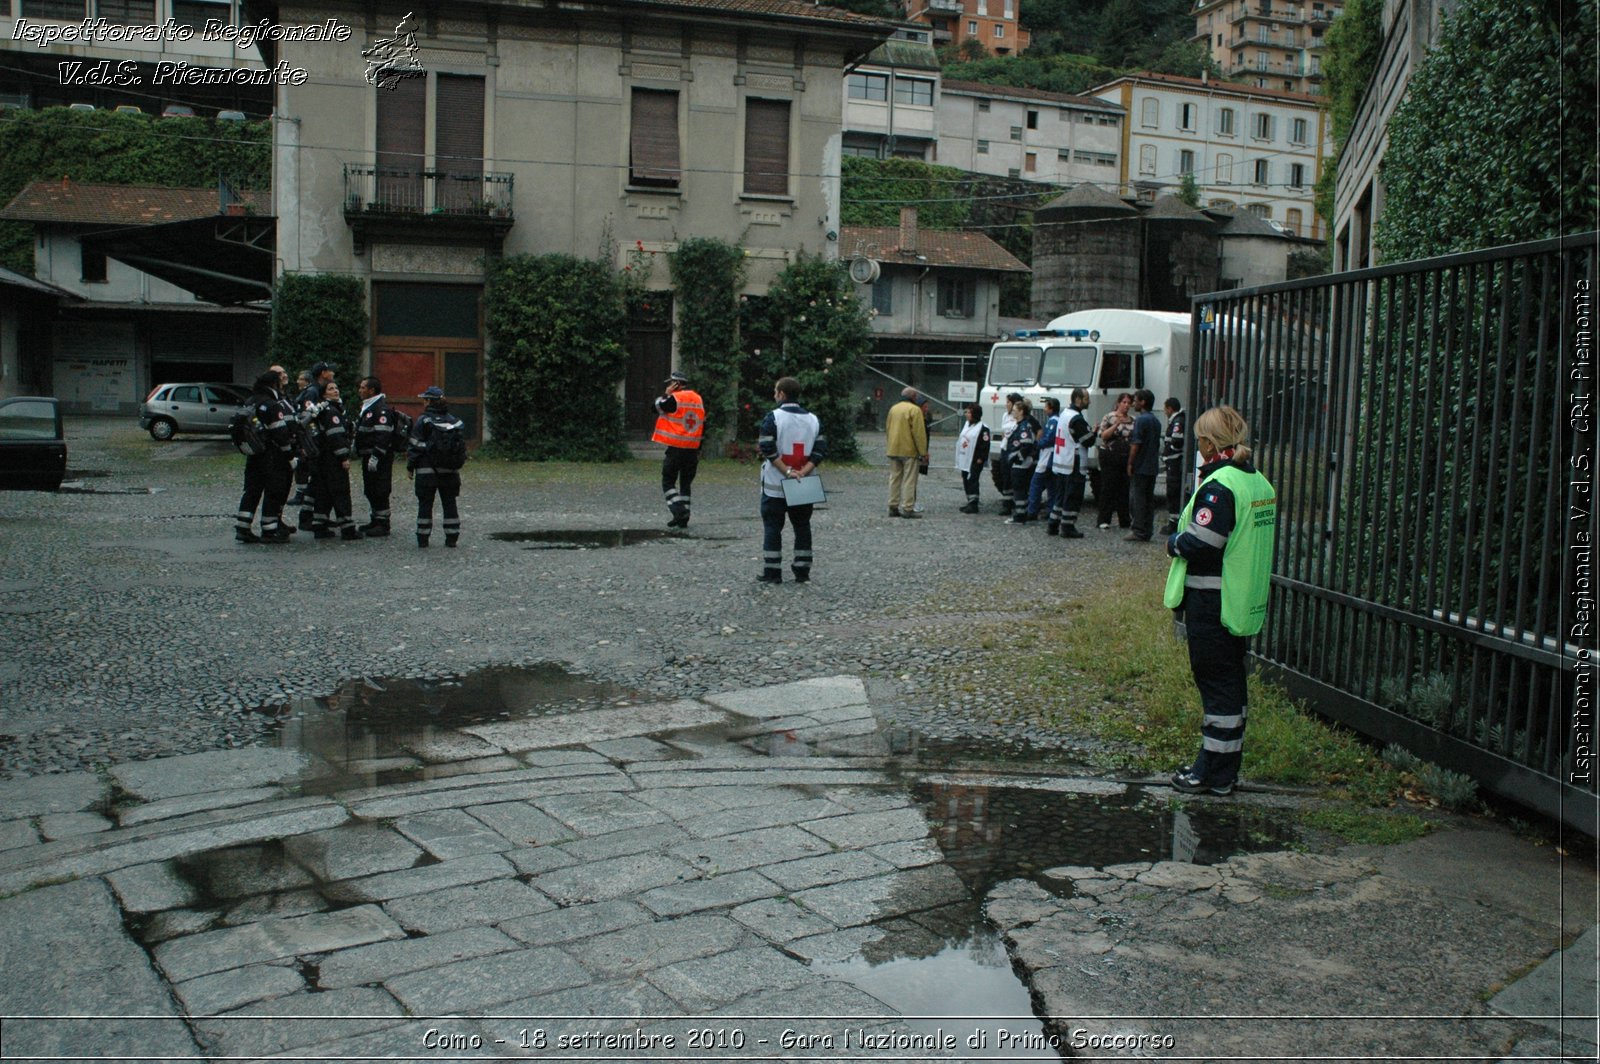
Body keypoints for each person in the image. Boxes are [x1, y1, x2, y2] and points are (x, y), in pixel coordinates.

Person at [1165, 405, 1277, 796]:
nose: (1198, 446)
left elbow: (1204, 542)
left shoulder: (1219, 485)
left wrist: (1173, 542)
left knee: (1216, 686)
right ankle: (1223, 771)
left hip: (1213, 602)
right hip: (1239, 601)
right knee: (1231, 686)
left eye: (1200, 440)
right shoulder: (1257, 482)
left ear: (1210, 444)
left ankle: (1207, 771)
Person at [756, 376, 826, 583]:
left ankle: (772, 572)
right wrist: (803, 471)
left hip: (775, 484)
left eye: (775, 391)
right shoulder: (813, 419)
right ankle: (802, 571)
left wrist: (787, 471)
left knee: (772, 527)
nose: (774, 395)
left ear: (782, 394)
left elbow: (767, 448)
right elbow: (820, 450)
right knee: (802, 526)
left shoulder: (773, 418)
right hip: (804, 482)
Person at [233, 370, 295, 543]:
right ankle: (270, 531)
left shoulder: (250, 401)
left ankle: (243, 528)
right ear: (274, 384)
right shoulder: (273, 404)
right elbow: (280, 433)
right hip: (271, 455)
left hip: (254, 455)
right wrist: (290, 456)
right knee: (273, 491)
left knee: (251, 491)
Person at [407, 386, 467, 547]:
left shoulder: (423, 421)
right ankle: (452, 537)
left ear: (429, 402)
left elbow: (415, 445)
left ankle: (423, 538)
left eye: (424, 400)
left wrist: (410, 467)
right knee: (450, 503)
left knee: (425, 504)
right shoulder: (455, 421)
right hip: (450, 471)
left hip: (427, 471)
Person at [651, 371, 705, 529]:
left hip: (676, 448)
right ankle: (683, 518)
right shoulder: (698, 399)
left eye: (671, 384)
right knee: (685, 484)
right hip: (692, 449)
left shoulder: (675, 398)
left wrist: (666, 394)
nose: (669, 386)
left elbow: (655, 408)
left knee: (668, 482)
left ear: (676, 384)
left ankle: (679, 511)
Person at [308, 380, 360, 540]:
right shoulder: (331, 412)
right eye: (331, 389)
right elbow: (336, 436)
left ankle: (319, 526)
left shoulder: (324, 410)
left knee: (323, 492)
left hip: (321, 458)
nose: (336, 391)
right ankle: (347, 529)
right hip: (332, 458)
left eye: (336, 388)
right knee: (340, 491)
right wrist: (343, 457)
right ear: (324, 394)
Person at [354, 375, 403, 537]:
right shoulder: (368, 407)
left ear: (371, 390)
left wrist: (376, 456)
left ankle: (383, 524)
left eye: (363, 387)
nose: (360, 390)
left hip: (379, 458)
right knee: (370, 489)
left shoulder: (381, 409)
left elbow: (383, 435)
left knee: (380, 489)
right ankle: (375, 519)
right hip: (368, 456)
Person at [1023, 396, 1066, 531]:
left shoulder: (1053, 421)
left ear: (1051, 408)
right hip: (1049, 455)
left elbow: (1048, 438)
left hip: (1048, 455)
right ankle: (1051, 509)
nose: (1044, 409)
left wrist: (1038, 444)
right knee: (1051, 485)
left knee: (1036, 483)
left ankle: (1032, 510)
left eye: (1046, 407)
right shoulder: (1055, 420)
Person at [1057, 388, 1096, 539]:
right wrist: (1094, 432)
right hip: (1074, 462)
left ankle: (1054, 523)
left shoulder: (1064, 414)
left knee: (1061, 495)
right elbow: (1088, 440)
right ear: (1078, 400)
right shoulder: (1076, 419)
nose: (1089, 402)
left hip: (1062, 461)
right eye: (1087, 399)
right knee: (1073, 495)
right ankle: (1068, 526)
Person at [885, 386, 928, 518]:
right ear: (913, 397)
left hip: (893, 448)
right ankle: (908, 508)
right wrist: (923, 452)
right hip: (908, 450)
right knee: (909, 480)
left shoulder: (893, 408)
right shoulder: (914, 410)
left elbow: (888, 428)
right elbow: (919, 433)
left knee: (894, 478)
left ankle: (893, 506)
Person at [1126, 388, 1162, 542]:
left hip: (1141, 465)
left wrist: (1130, 462)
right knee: (1148, 499)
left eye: (1136, 400)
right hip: (1152, 466)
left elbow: (1136, 444)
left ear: (1143, 402)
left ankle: (1138, 529)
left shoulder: (1141, 420)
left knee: (1138, 499)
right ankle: (1147, 529)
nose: (1134, 403)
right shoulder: (1156, 421)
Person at [1095, 392, 1135, 530]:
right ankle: (1104, 519)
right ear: (1118, 403)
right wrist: (1116, 425)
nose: (1126, 405)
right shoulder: (1109, 417)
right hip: (1110, 456)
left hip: (1125, 456)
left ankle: (1124, 519)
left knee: (1124, 489)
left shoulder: (1133, 420)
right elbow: (1103, 435)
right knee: (1108, 487)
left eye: (1128, 403)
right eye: (1124, 402)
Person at [1003, 398, 1040, 519]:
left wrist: (1017, 458)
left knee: (1020, 489)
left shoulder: (1024, 426)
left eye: (1015, 410)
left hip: (1020, 464)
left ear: (1021, 411)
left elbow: (1026, 445)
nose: (1012, 412)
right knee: (1018, 489)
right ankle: (1020, 513)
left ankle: (1020, 515)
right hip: (1016, 463)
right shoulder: (1018, 425)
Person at [954, 403, 991, 513]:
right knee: (966, 479)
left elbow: (985, 444)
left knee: (973, 480)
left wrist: (981, 458)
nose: (967, 414)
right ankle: (969, 500)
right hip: (965, 459)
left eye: (969, 412)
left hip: (975, 459)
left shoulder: (983, 429)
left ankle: (974, 503)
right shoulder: (967, 425)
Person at [991, 392, 1023, 514]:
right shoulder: (1005, 415)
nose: (1006, 405)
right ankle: (1007, 504)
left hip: (1015, 449)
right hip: (1005, 448)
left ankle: (1017, 502)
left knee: (1015, 476)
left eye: (1008, 402)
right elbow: (1004, 431)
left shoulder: (1020, 417)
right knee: (1005, 476)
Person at [1161, 397, 1189, 536]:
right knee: (1173, 491)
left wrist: (1170, 450)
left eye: (1165, 408)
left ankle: (1175, 523)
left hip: (1174, 461)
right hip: (1173, 461)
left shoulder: (1177, 421)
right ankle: (1175, 521)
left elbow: (1177, 441)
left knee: (1173, 491)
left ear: (1170, 408)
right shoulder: (1179, 420)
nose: (1165, 411)